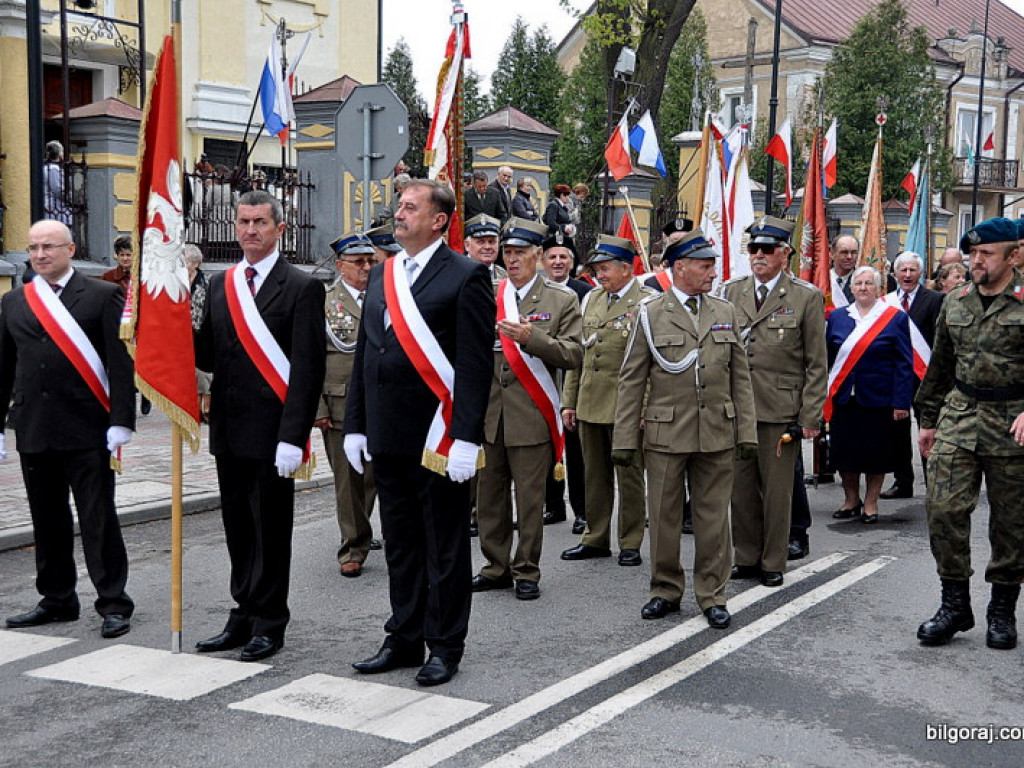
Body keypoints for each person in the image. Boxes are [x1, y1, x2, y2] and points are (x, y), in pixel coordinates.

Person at [344, 179, 494, 686]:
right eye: (399, 206)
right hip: (387, 435)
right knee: (401, 544)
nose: (399, 213)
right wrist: (356, 424)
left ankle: (445, 644)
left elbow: (474, 366)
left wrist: (466, 437)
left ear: (438, 220)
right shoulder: (384, 272)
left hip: (438, 439)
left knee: (444, 548)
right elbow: (366, 355)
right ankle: (404, 636)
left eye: (410, 207)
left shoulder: (467, 276)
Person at [193, 190, 326, 662]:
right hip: (229, 429)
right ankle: (243, 611)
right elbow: (210, 355)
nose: (250, 230)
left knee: (269, 530)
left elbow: (308, 370)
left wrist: (295, 436)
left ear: (279, 229)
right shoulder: (220, 283)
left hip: (274, 432)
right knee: (237, 527)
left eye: (260, 222)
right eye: (244, 222)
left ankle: (269, 620)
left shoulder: (301, 286)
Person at [614, 229, 756, 627]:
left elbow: (740, 378)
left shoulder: (724, 311)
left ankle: (713, 594)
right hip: (666, 433)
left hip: (716, 431)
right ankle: (665, 589)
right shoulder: (650, 313)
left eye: (712, 265)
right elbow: (631, 380)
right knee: (663, 518)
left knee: (714, 520)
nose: (713, 273)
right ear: (680, 268)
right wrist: (624, 438)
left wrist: (746, 432)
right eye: (705, 266)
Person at [1, 220, 135, 638]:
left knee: (98, 517)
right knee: (47, 519)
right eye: (33, 248)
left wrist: (122, 421)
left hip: (88, 429)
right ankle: (57, 598)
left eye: (49, 247)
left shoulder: (101, 295)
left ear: (71, 249)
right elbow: (4, 367)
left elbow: (120, 364)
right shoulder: (14, 301)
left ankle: (113, 602)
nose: (40, 255)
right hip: (34, 428)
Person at [916, 217, 1024, 650]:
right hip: (959, 416)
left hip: (1012, 422)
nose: (976, 261)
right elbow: (940, 364)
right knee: (943, 508)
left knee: (1012, 523)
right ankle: (955, 604)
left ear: (1013, 256)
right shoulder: (955, 301)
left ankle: (1002, 610)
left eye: (986, 254)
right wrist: (928, 420)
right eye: (972, 254)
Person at [473, 218, 582, 600]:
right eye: (508, 252)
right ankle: (495, 566)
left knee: (530, 501)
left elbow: (574, 354)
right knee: (489, 500)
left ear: (537, 255)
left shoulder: (560, 300)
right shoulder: (489, 293)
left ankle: (526, 570)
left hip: (532, 415)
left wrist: (532, 338)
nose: (513, 259)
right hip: (491, 416)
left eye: (520, 252)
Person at [722, 216, 827, 588]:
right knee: (741, 490)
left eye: (767, 249)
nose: (759, 255)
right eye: (754, 248)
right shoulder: (731, 292)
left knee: (777, 494)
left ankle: (772, 561)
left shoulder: (805, 296)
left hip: (780, 410)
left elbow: (816, 363)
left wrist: (810, 416)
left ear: (785, 254)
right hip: (738, 409)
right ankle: (746, 556)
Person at [561, 235, 654, 566]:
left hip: (626, 405)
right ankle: (595, 537)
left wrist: (644, 407)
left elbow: (652, 364)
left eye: (605, 269)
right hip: (590, 400)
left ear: (626, 269)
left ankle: (630, 541)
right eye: (597, 270)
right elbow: (580, 354)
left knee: (629, 477)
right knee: (594, 476)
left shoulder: (648, 302)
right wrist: (569, 401)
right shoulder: (592, 299)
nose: (599, 275)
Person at [825, 266, 915, 524]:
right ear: (852, 288)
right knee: (846, 454)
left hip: (879, 399)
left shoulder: (894, 318)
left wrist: (901, 402)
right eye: (859, 283)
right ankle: (851, 500)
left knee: (876, 455)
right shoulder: (838, 317)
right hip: (844, 398)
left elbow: (903, 364)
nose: (863, 288)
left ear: (879, 288)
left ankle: (871, 503)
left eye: (869, 283)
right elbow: (828, 359)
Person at [316, 232, 377, 579]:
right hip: (341, 403)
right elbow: (309, 359)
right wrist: (318, 409)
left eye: (370, 260)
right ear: (340, 266)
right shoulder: (324, 302)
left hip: (381, 404)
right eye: (358, 262)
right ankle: (352, 547)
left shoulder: (385, 297)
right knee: (347, 480)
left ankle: (362, 531)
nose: (366, 267)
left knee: (373, 477)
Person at [880, 251, 944, 500]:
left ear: (920, 273)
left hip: (925, 376)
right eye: (903, 270)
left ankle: (932, 485)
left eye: (912, 270)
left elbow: (940, 340)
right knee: (898, 431)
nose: (907, 275)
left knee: (928, 429)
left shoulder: (935, 300)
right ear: (895, 273)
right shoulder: (886, 302)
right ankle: (902, 482)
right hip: (897, 377)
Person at [540, 233, 591, 534]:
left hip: (575, 377)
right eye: (552, 257)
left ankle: (582, 511)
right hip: (543, 378)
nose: (558, 262)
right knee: (547, 445)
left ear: (572, 263)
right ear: (543, 261)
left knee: (576, 448)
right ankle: (553, 505)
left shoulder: (586, 293)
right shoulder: (536, 291)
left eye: (563, 257)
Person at [185, 244, 212, 422]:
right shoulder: (178, 282)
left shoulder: (207, 282)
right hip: (183, 333)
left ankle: (206, 406)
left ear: (195, 263)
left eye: (185, 261)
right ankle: (194, 406)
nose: (182, 265)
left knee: (203, 371)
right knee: (189, 371)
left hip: (202, 332)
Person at [463, 213, 506, 284]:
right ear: (467, 245)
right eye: (481, 242)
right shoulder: (456, 272)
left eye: (491, 242)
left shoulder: (504, 276)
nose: (487, 247)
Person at [43, 141, 72, 225]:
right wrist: (68, 197)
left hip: (55, 209)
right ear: (59, 154)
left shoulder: (48, 167)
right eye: (62, 151)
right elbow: (57, 189)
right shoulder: (53, 169)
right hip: (56, 209)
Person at [830, 234, 859, 308]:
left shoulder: (862, 282)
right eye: (844, 252)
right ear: (832, 254)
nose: (849, 257)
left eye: (854, 252)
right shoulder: (822, 280)